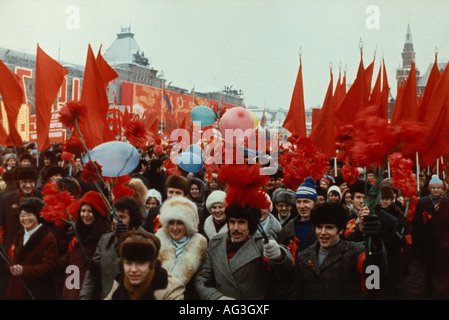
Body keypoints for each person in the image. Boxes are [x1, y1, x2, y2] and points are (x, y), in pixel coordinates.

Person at [290, 201, 386, 300]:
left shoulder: (355, 252)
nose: (323, 232)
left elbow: (375, 276)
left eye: (329, 227)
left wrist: (375, 242)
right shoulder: (304, 256)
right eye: (319, 227)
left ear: (340, 230)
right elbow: (298, 293)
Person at [79, 196, 146, 300]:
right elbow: (90, 276)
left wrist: (125, 239)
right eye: (115, 216)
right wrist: (84, 297)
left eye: (122, 217)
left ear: (133, 219)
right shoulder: (105, 239)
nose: (116, 221)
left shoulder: (147, 238)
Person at [58, 191, 111, 300]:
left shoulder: (104, 237)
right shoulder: (76, 234)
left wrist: (94, 266)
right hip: (71, 284)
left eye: (90, 211)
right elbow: (70, 258)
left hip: (89, 290)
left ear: (97, 213)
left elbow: (108, 267)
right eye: (83, 211)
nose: (85, 215)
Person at [105, 230, 185, 300]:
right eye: (128, 263)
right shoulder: (120, 281)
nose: (133, 270)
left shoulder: (171, 288)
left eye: (141, 263)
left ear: (152, 264)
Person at [6, 197, 59, 300]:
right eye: (22, 215)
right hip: (17, 291)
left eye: (30, 215)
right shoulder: (19, 235)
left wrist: (24, 271)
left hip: (38, 292)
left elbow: (50, 266)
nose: (26, 219)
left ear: (37, 216)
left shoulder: (47, 237)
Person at [155, 196, 208, 299]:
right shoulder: (157, 241)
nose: (175, 228)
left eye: (180, 223)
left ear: (188, 224)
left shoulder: (199, 243)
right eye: (171, 223)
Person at [412, 174, 449, 299]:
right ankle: (429, 291)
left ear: (443, 190)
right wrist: (417, 245)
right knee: (429, 269)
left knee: (442, 270)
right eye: (434, 188)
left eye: (439, 188)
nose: (436, 190)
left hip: (444, 244)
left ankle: (440, 293)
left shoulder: (447, 202)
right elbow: (416, 224)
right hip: (427, 244)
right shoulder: (422, 202)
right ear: (430, 189)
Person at [0, 166, 42, 251]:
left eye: (31, 182)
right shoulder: (7, 199)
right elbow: (2, 223)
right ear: (18, 183)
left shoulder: (42, 198)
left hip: (36, 248)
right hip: (12, 248)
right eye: (24, 182)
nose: (28, 185)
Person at [278, 177, 318, 255]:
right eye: (298, 202)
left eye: (306, 201)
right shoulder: (288, 227)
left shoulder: (322, 225)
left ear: (315, 203)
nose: (301, 206)